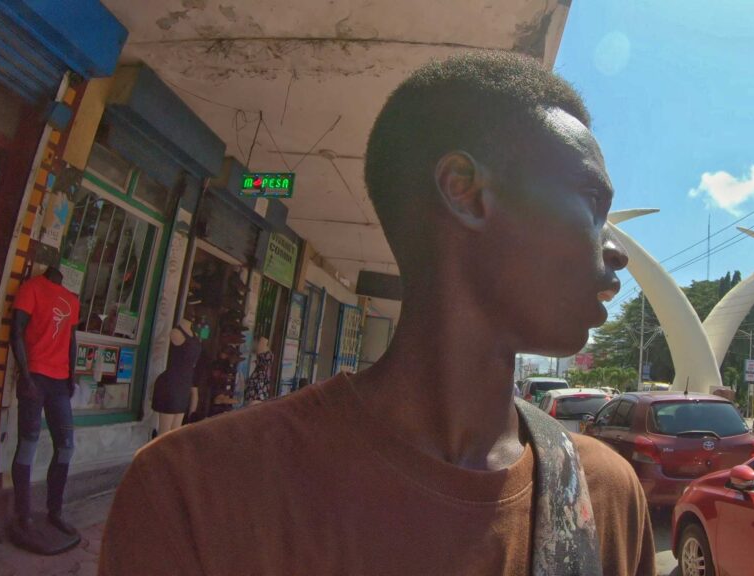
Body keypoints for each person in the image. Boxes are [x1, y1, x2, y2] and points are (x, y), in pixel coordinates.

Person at [100, 52, 655, 575]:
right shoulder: (195, 493)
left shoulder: (603, 494)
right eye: (592, 201)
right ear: (465, 191)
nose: (616, 250)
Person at [10, 266, 80, 537]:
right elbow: (16, 331)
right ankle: (23, 513)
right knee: (27, 444)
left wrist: (72, 374)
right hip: (35, 377)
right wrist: (25, 376)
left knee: (65, 447)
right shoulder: (31, 288)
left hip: (59, 381)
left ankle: (55, 511)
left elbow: (72, 339)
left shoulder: (71, 300)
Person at [149, 303, 203, 437]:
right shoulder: (176, 332)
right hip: (171, 384)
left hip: (184, 385)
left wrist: (193, 391)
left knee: (175, 432)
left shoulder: (194, 334)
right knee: (164, 432)